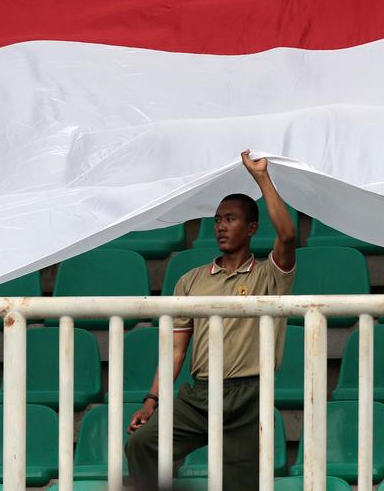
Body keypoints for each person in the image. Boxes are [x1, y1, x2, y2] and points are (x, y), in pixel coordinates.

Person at [124, 150, 298, 490]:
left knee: (240, 483)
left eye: (230, 218)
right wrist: (151, 400)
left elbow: (289, 236)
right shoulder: (190, 280)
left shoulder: (270, 275)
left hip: (248, 394)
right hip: (200, 394)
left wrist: (262, 177)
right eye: (217, 219)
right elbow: (176, 349)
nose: (220, 225)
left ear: (251, 228)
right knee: (142, 444)